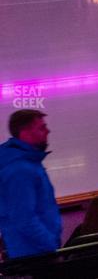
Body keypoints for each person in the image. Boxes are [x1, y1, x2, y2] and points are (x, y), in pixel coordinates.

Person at [0, 110, 61, 259]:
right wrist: (50, 245)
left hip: (33, 250)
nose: (48, 131)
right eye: (41, 128)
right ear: (24, 132)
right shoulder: (20, 169)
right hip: (34, 254)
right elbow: (24, 218)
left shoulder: (28, 163)